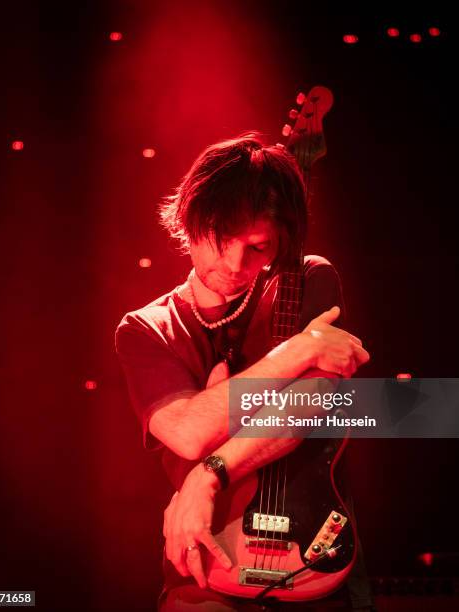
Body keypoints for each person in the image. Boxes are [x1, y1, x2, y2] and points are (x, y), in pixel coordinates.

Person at [115, 133, 374, 610]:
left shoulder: (311, 277)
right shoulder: (145, 329)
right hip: (207, 561)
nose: (236, 265)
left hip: (309, 546)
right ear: (188, 223)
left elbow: (307, 407)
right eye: (223, 241)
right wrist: (298, 351)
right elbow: (190, 434)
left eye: (258, 248)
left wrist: (207, 476)